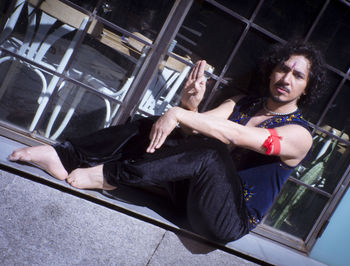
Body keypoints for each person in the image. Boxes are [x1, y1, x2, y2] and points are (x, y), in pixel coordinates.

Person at [8, 41, 326, 242]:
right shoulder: (242, 104)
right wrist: (189, 107)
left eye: (298, 76)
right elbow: (196, 134)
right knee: (161, 127)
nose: (286, 78)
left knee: (212, 150)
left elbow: (237, 136)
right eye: (283, 69)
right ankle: (63, 155)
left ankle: (108, 176)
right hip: (189, 200)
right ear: (272, 71)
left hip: (227, 220)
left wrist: (179, 113)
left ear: (306, 89)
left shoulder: (299, 134)